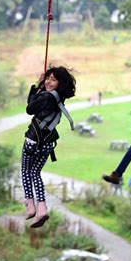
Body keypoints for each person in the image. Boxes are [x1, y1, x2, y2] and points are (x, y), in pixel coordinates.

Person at [22, 66, 76, 228]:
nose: (49, 82)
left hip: (33, 141)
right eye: (47, 78)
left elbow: (29, 109)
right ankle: (42, 208)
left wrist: (36, 90)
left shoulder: (46, 97)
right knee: (36, 173)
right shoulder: (59, 97)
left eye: (53, 79)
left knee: (26, 172)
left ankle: (31, 206)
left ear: (60, 83)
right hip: (47, 143)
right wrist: (40, 89)